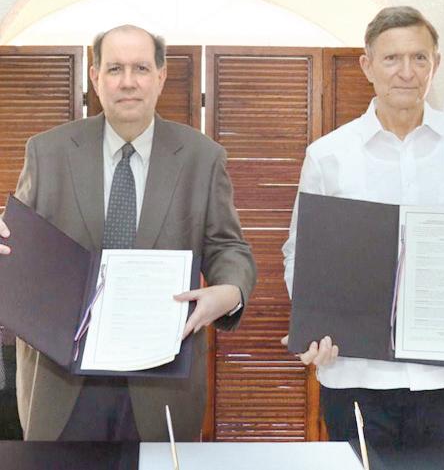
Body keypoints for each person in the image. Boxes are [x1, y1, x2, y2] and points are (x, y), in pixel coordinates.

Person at [0, 24, 256, 441]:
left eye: (141, 68)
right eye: (115, 68)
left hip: (162, 380)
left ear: (161, 76)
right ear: (95, 76)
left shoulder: (202, 157)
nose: (128, 81)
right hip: (64, 383)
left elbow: (228, 247)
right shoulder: (47, 152)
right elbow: (20, 243)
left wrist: (230, 291)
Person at [282, 6, 444, 446]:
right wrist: (314, 323)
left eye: (419, 58)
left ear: (435, 64)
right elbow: (302, 253)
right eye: (392, 58)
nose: (406, 72)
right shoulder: (329, 155)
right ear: (367, 66)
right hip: (353, 370)